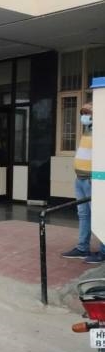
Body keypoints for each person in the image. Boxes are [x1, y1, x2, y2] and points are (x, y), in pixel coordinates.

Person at [62, 102, 105, 263]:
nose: (84, 116)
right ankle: (82, 248)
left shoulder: (101, 131)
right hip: (80, 179)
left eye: (88, 113)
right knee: (84, 214)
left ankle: (104, 251)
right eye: (83, 113)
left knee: (100, 215)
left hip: (92, 180)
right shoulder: (88, 130)